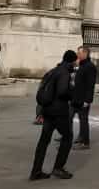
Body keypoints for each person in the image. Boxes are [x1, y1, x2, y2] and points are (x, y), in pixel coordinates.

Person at [30, 51, 76, 180]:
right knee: (67, 137)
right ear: (72, 61)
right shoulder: (65, 73)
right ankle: (58, 168)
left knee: (44, 141)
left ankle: (36, 170)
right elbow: (62, 91)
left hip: (47, 109)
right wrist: (71, 92)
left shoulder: (53, 70)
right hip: (59, 111)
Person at [72, 45, 96, 150]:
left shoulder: (90, 66)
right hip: (75, 97)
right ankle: (76, 137)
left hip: (83, 99)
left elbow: (90, 85)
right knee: (69, 117)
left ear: (85, 53)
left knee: (83, 120)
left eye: (79, 53)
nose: (77, 55)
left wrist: (88, 100)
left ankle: (85, 142)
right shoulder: (81, 65)